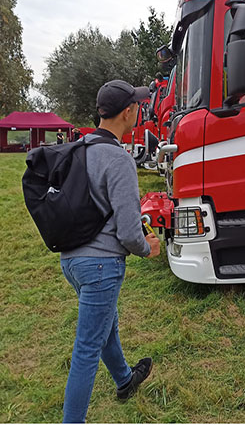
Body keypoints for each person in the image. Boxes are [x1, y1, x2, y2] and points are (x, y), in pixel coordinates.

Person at [59, 79, 161, 423]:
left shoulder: (79, 147)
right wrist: (149, 248)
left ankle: (124, 380)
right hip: (101, 266)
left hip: (71, 260)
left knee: (106, 326)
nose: (140, 110)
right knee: (87, 348)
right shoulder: (118, 159)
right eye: (137, 106)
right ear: (128, 111)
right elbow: (131, 233)